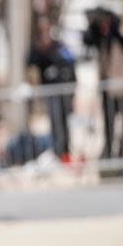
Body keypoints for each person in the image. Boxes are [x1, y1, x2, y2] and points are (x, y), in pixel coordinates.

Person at [83, 6, 123, 159]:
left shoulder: (120, 34)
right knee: (108, 127)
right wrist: (93, 26)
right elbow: (87, 41)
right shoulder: (101, 37)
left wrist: (113, 26)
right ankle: (109, 156)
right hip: (108, 90)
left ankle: (121, 154)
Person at [27, 17, 76, 162]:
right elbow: (31, 63)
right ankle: (58, 152)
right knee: (55, 122)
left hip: (63, 90)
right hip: (50, 92)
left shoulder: (58, 45)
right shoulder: (37, 48)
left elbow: (69, 62)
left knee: (64, 122)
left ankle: (65, 152)